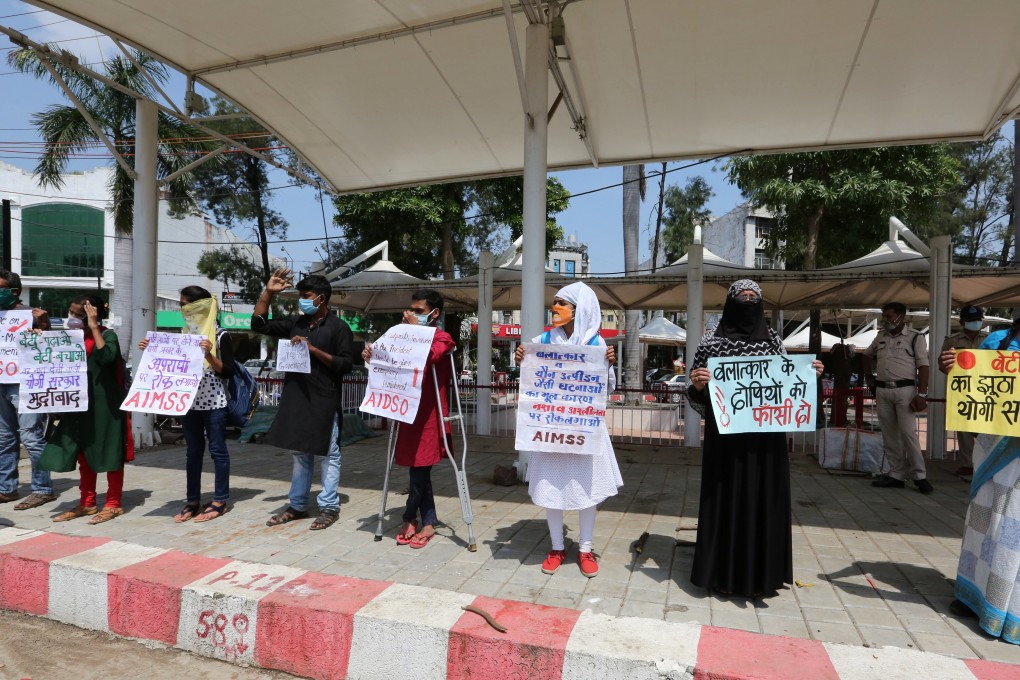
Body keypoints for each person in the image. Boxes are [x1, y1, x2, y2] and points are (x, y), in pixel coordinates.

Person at [686, 280, 823, 598]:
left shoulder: (774, 340)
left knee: (763, 499)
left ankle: (764, 574)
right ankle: (722, 573)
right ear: (730, 303)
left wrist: (809, 375)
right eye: (742, 297)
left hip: (766, 441)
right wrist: (697, 385)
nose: (748, 301)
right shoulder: (711, 343)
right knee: (726, 501)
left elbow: (788, 380)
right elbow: (696, 394)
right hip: (726, 442)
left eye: (755, 298)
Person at [515, 282, 620, 578]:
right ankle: (557, 547)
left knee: (587, 491)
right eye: (555, 302)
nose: (555, 308)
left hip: (585, 431)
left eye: (562, 303)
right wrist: (520, 360)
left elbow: (608, 388)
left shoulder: (597, 344)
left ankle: (585, 549)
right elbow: (529, 378)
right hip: (551, 430)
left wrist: (610, 365)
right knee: (552, 488)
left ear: (579, 310)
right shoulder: (542, 340)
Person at [939, 317, 1020, 642]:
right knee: (982, 521)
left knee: (1013, 529)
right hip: (991, 448)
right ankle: (971, 593)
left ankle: (1006, 608)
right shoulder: (998, 340)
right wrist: (953, 368)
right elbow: (972, 385)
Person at [252, 269, 353, 530]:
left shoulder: (339, 328)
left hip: (324, 400)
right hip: (297, 398)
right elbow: (258, 324)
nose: (301, 301)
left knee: (330, 455)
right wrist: (269, 292)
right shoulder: (295, 323)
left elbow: (344, 365)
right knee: (300, 454)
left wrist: (313, 349)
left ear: (321, 298)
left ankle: (329, 506)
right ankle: (297, 505)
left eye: (306, 296)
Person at [362, 289, 456, 549]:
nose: (411, 314)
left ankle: (409, 518)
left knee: (420, 468)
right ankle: (427, 520)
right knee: (417, 469)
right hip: (405, 412)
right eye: (411, 310)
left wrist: (414, 333)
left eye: (419, 311)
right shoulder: (400, 336)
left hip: (429, 414)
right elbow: (389, 361)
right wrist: (373, 356)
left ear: (434, 314)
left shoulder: (442, 337)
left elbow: (433, 355)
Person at [138, 286, 235, 522]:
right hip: (188, 403)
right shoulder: (183, 335)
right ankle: (192, 501)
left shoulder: (221, 336)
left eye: (184, 304)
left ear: (198, 306)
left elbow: (228, 371)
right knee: (193, 452)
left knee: (218, 451)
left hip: (214, 403)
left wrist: (209, 355)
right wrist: (152, 351)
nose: (181, 309)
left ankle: (220, 500)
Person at [39, 295, 133, 524]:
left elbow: (107, 357)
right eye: (71, 312)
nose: (73, 317)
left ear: (93, 314)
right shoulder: (69, 337)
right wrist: (38, 334)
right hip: (78, 406)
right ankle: (87, 502)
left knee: (110, 452)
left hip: (105, 407)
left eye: (79, 314)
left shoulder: (107, 334)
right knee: (83, 453)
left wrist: (93, 326)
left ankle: (113, 503)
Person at [861, 302, 932, 494]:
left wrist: (922, 394)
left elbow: (923, 366)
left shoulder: (915, 337)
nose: (885, 320)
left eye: (889, 316)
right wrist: (869, 378)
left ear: (902, 316)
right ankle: (896, 475)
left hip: (905, 390)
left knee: (908, 433)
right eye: (884, 316)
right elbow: (866, 355)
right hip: (882, 390)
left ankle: (920, 476)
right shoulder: (880, 336)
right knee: (890, 434)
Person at [0, 270, 53, 509]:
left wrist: (43, 324)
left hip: (26, 383)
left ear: (13, 291)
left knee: (31, 436)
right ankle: (7, 488)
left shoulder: (31, 314)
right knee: (4, 439)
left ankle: (42, 489)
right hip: (1, 382)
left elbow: (51, 346)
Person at [940, 304, 987, 477]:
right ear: (961, 322)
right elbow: (942, 365)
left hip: (986, 391)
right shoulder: (951, 341)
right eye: (971, 320)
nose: (975, 323)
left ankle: (986, 464)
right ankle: (967, 464)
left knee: (986, 429)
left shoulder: (990, 339)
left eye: (977, 320)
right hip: (962, 392)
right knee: (964, 429)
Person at [828, 341, 855, 426]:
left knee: (842, 401)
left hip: (842, 380)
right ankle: (838, 419)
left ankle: (840, 418)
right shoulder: (842, 353)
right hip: (841, 380)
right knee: (841, 401)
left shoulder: (841, 354)